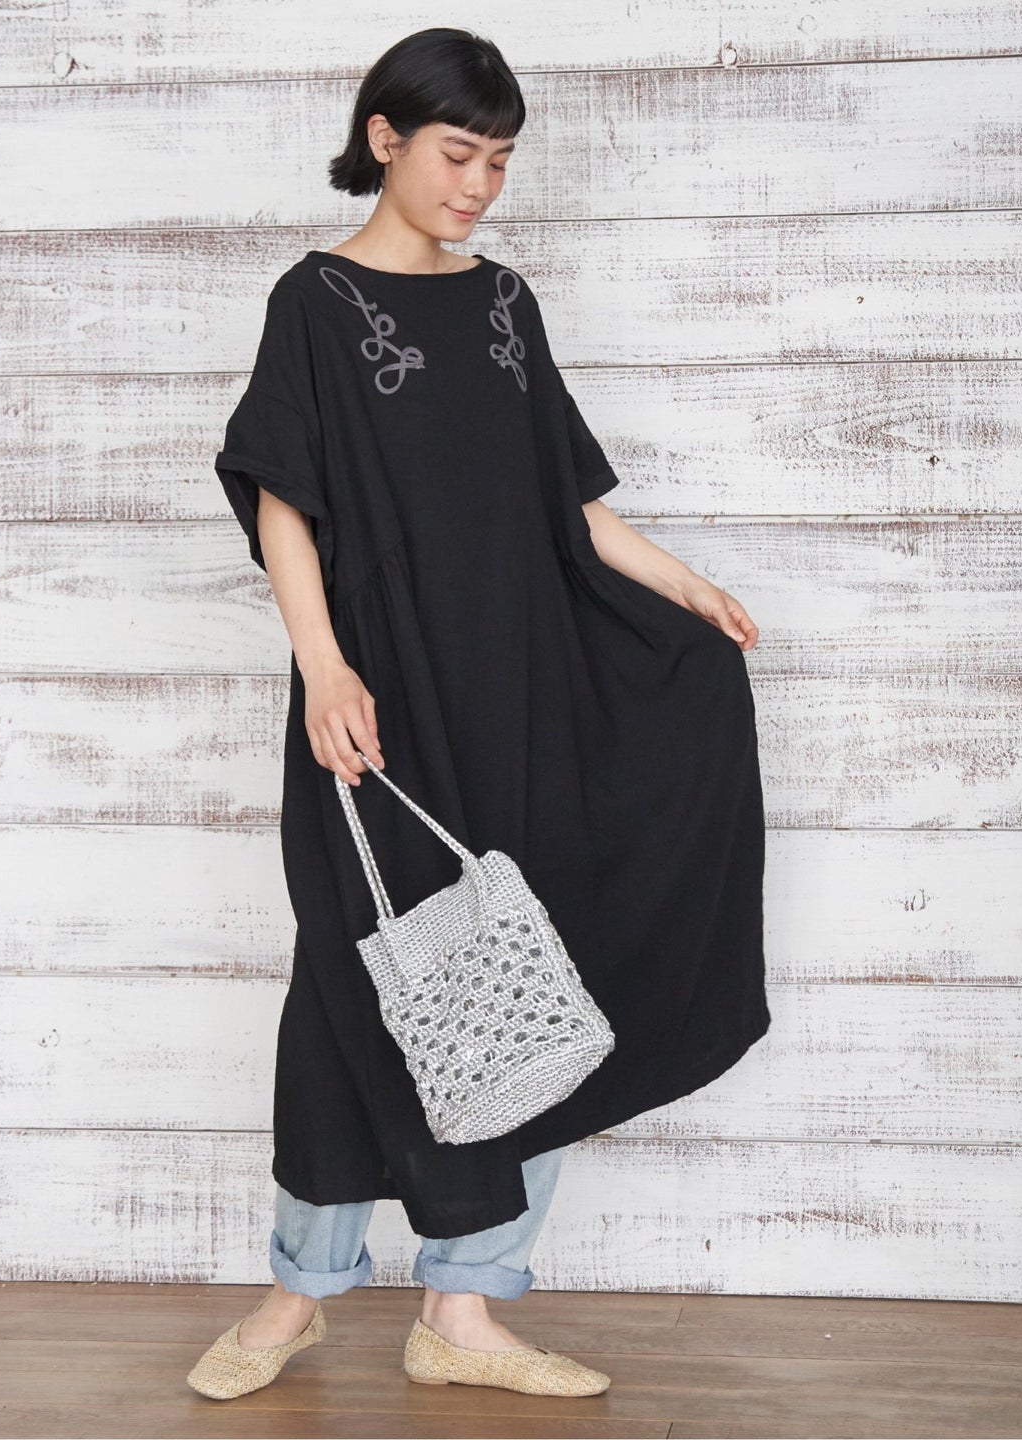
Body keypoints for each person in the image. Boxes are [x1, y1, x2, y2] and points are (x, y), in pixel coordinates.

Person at [187, 25, 771, 1402]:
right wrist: (324, 666)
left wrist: (686, 585)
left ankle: (467, 1308)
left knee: (528, 968)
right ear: (385, 138)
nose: (479, 186)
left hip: (521, 688)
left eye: (500, 161)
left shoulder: (506, 303)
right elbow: (283, 500)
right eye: (459, 153)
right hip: (377, 699)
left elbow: (567, 504)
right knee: (354, 976)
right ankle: (298, 1292)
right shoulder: (316, 302)